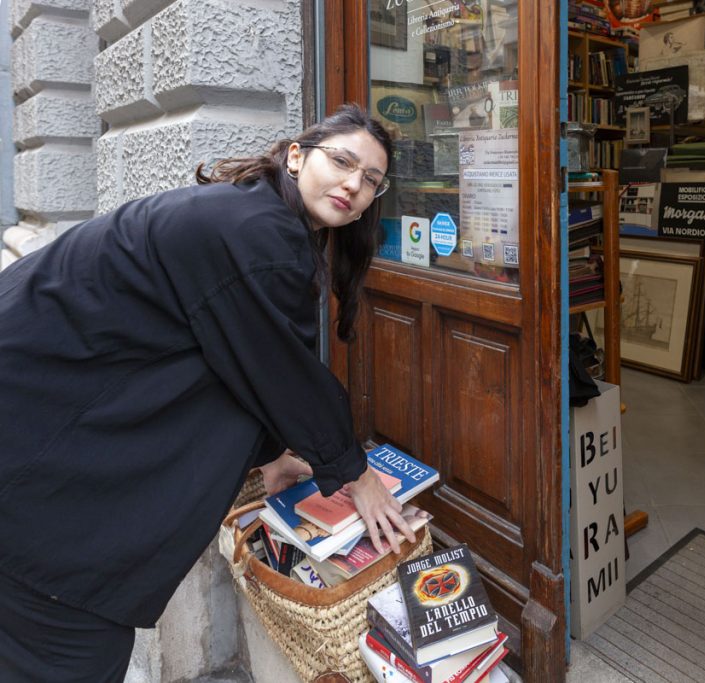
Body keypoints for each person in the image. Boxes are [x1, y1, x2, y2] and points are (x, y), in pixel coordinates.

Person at [0, 104, 417, 682]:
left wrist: (272, 457)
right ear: (296, 156)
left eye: (372, 180)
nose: (354, 184)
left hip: (38, 440)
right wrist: (359, 477)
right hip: (39, 471)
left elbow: (236, 354)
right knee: (68, 656)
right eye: (342, 161)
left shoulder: (250, 215)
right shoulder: (258, 234)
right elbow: (285, 375)